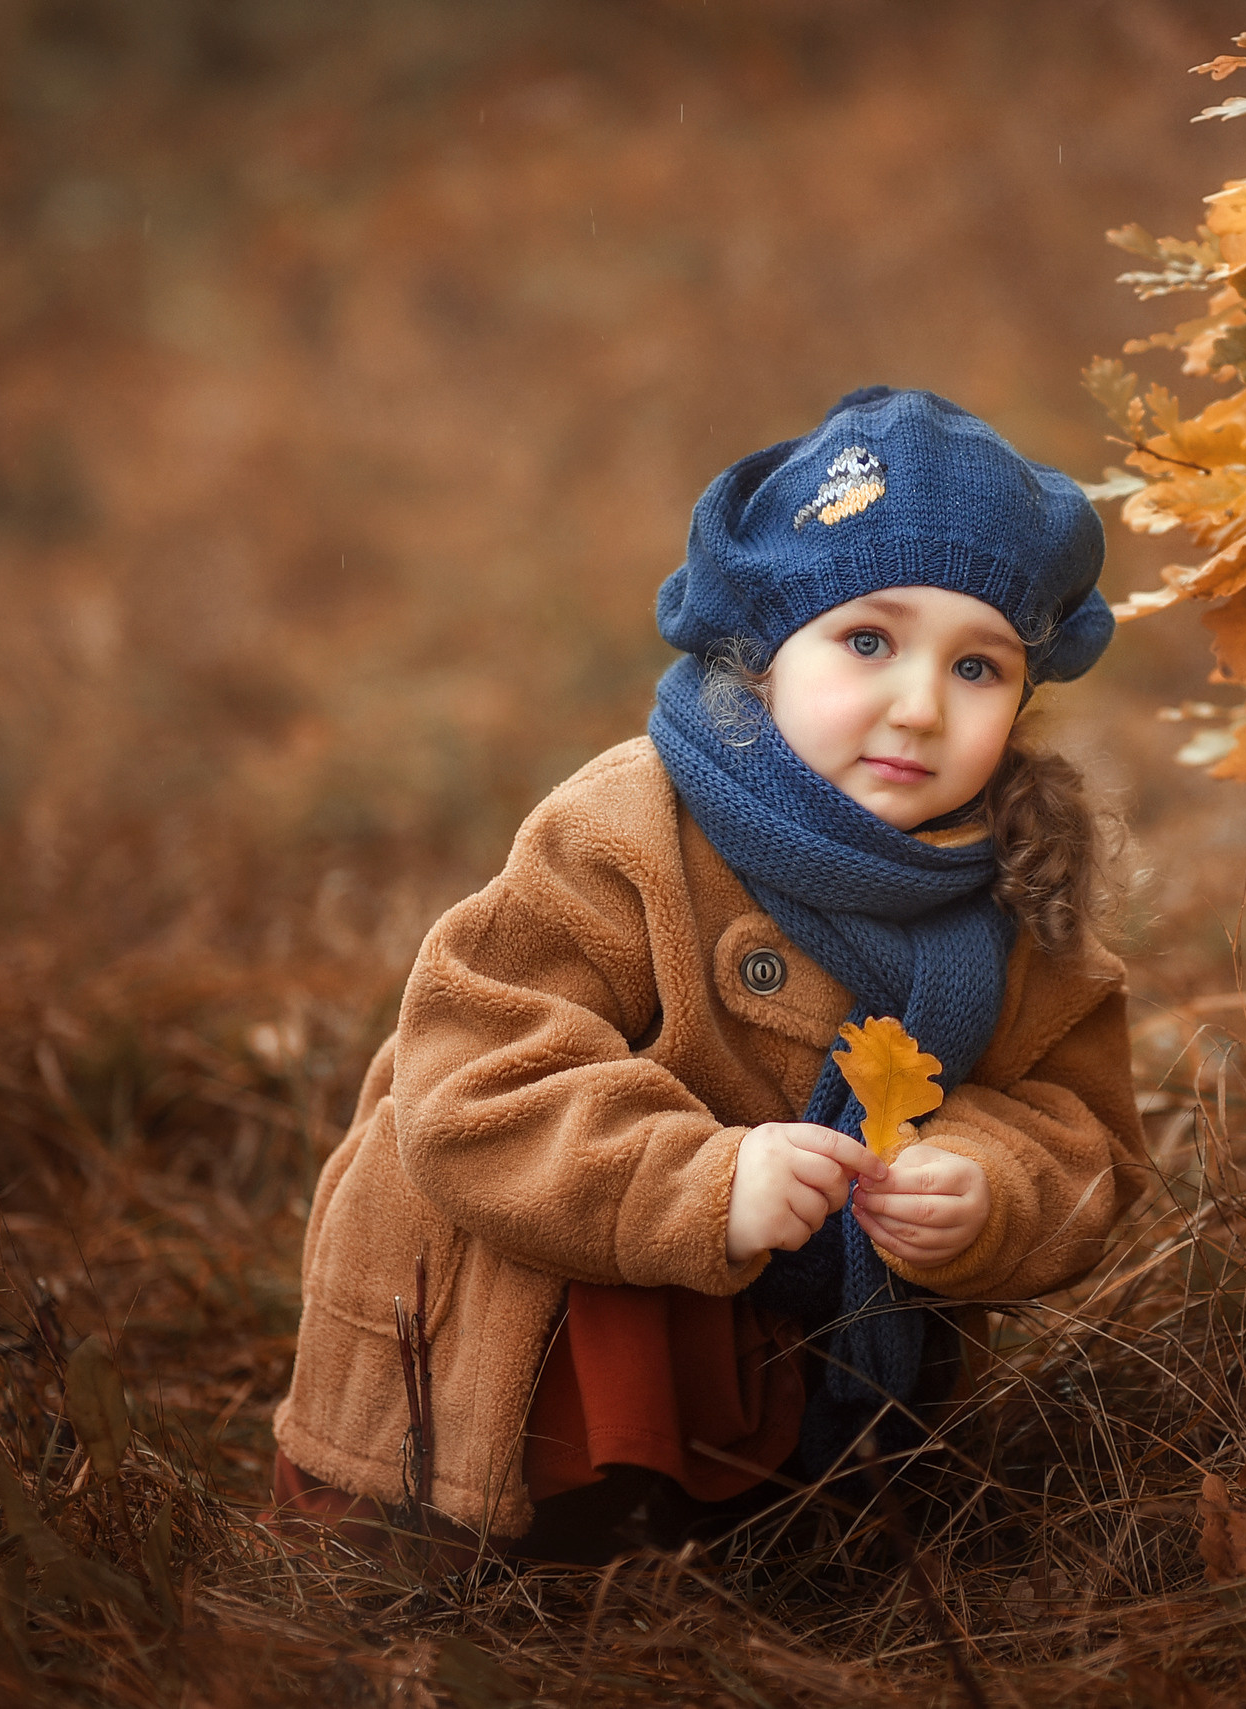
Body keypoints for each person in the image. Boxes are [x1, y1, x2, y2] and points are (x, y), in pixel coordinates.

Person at [268, 386, 1144, 1568]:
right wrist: (702, 1177)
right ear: (762, 652)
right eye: (868, 640)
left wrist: (986, 1186)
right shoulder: (629, 826)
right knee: (543, 1417)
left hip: (774, 1349)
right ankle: (559, 1530)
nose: (920, 705)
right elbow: (472, 1076)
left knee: (780, 1551)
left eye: (979, 666)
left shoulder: (1013, 889)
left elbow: (1079, 1125)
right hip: (516, 1338)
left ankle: (759, 1527)